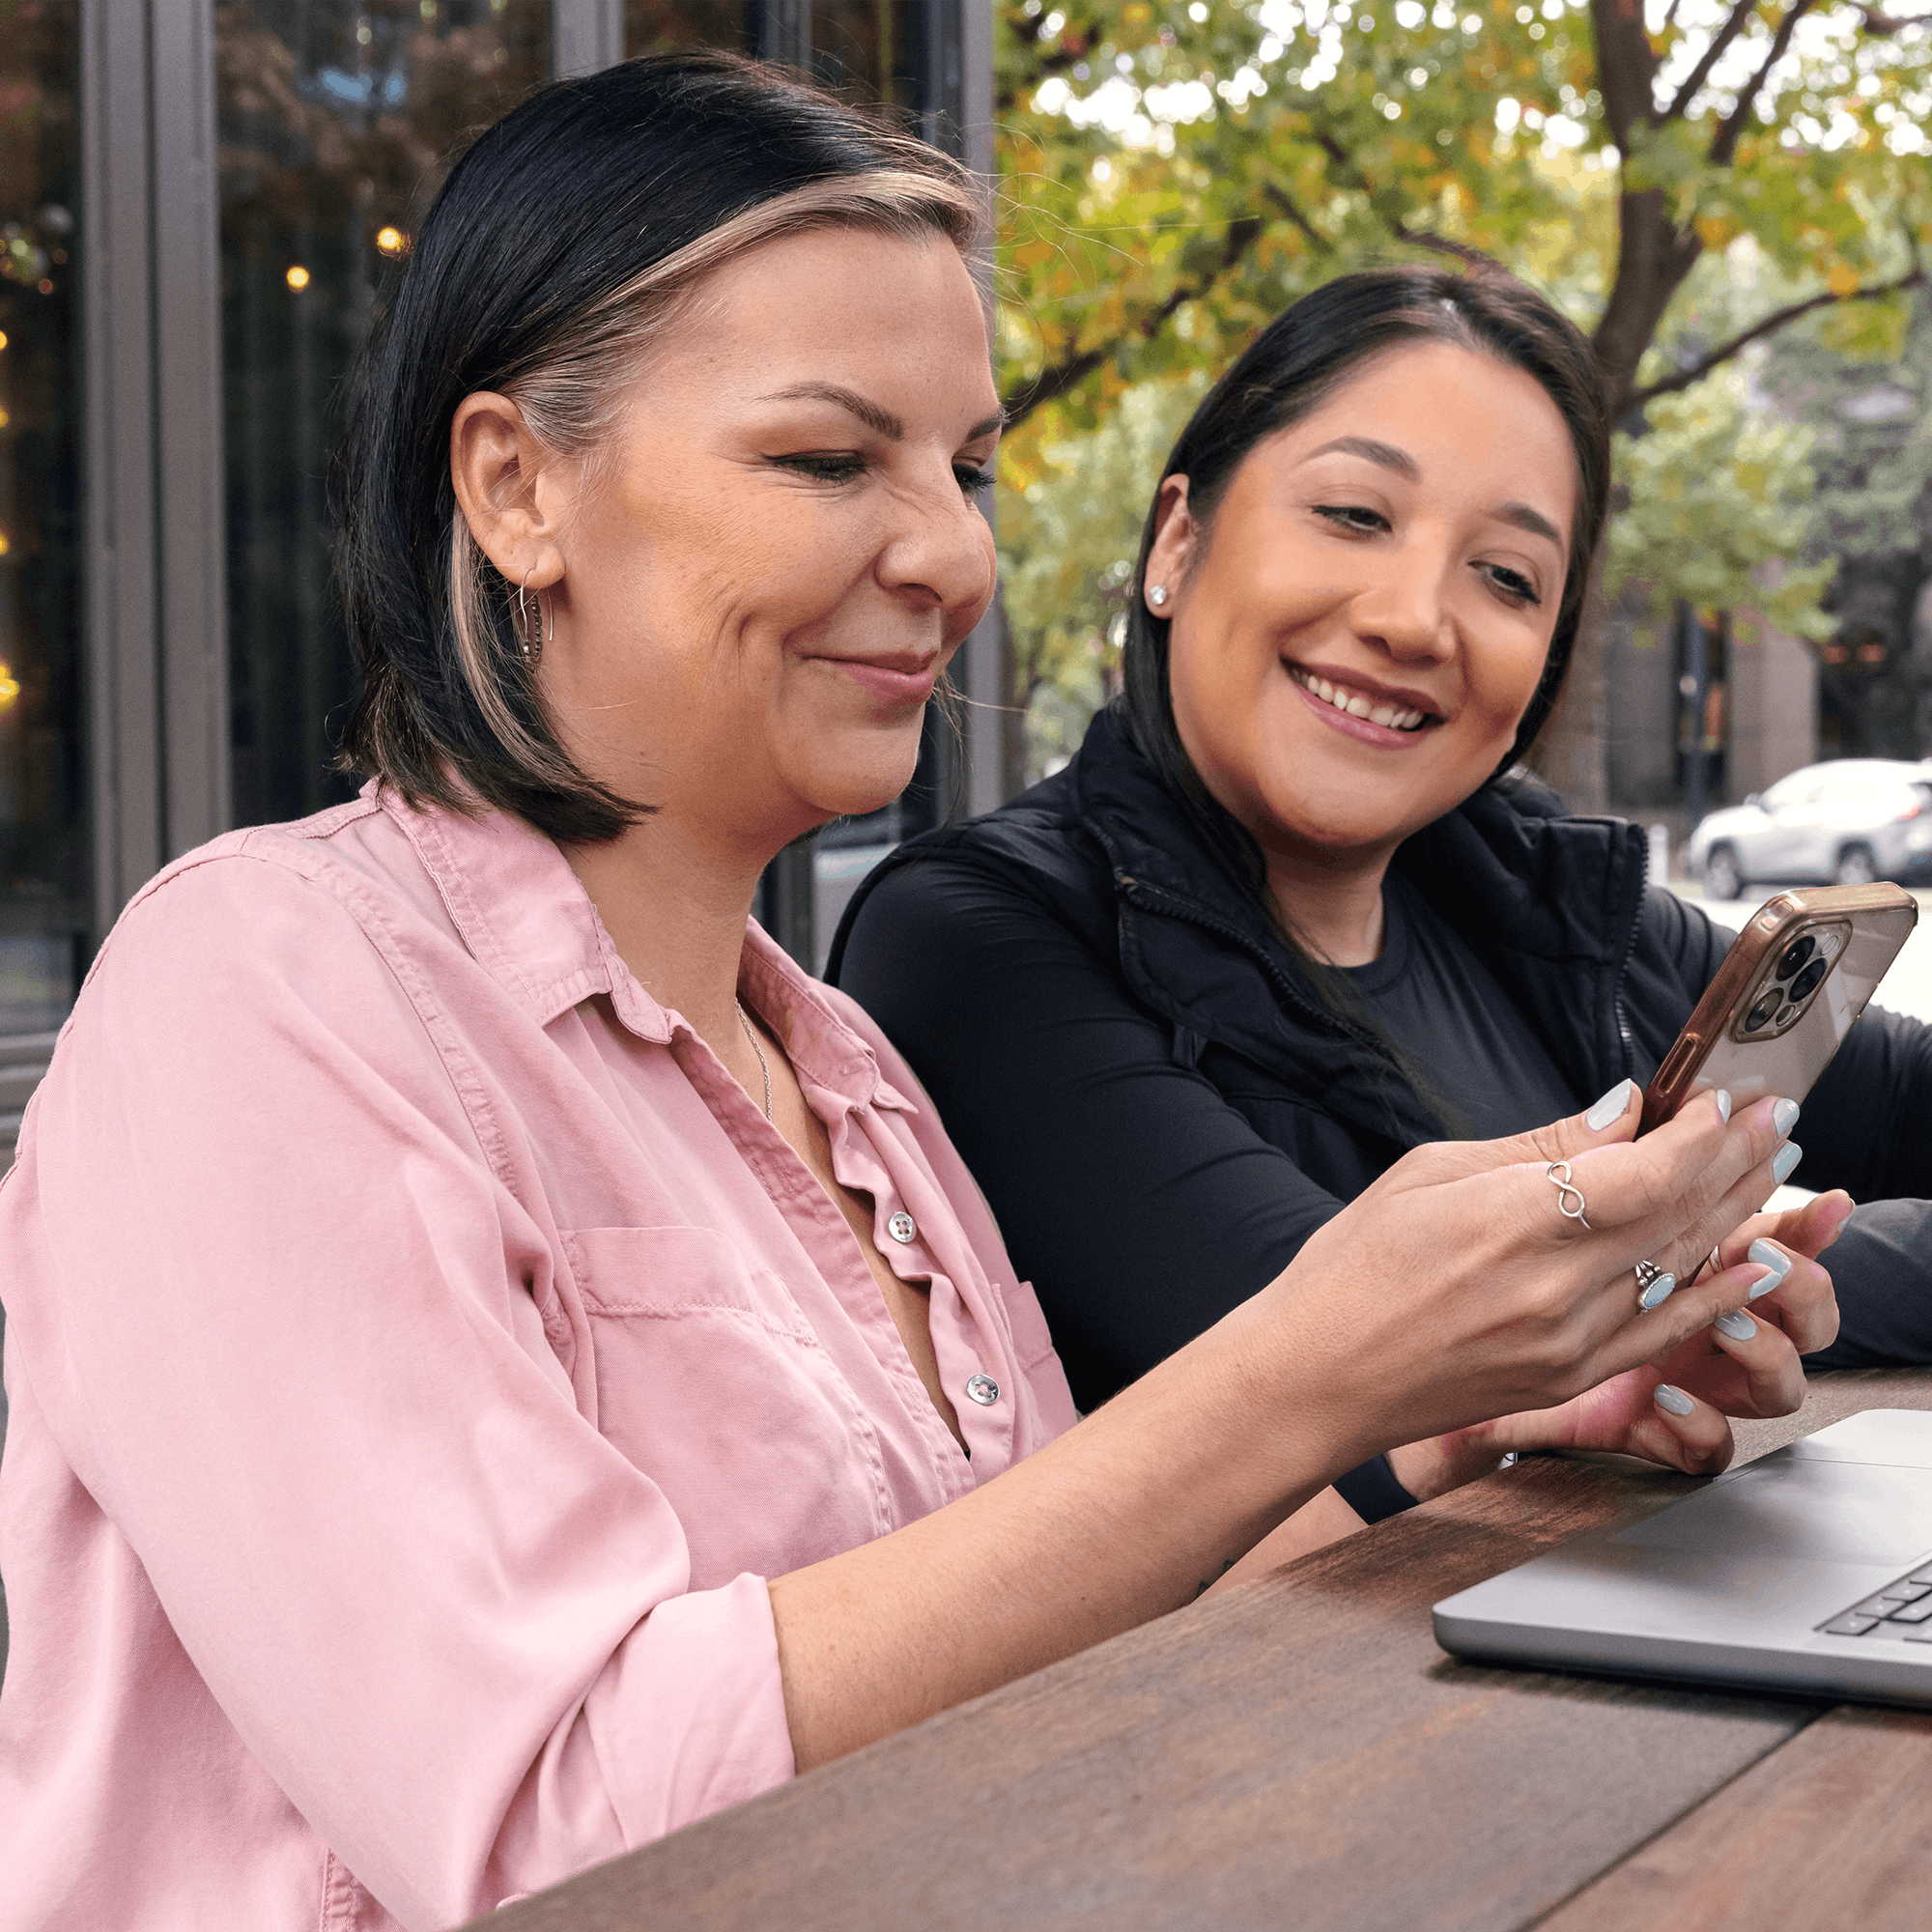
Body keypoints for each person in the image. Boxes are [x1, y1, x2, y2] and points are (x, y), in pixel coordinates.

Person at [0, 63, 1812, 1932]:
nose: (951, 559)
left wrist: (1465, 1419)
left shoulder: (839, 1062)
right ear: (516, 485)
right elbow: (551, 1829)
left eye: (967, 471)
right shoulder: (262, 994)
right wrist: (1314, 1363)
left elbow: (1041, 1614)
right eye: (826, 460)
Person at [833, 265, 1884, 1535]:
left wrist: (1712, 1272)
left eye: (1505, 577)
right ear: (1177, 543)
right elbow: (1397, 1360)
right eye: (1352, 513)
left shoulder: (1534, 900)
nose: (1412, 619)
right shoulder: (976, 940)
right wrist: (1720, 1272)